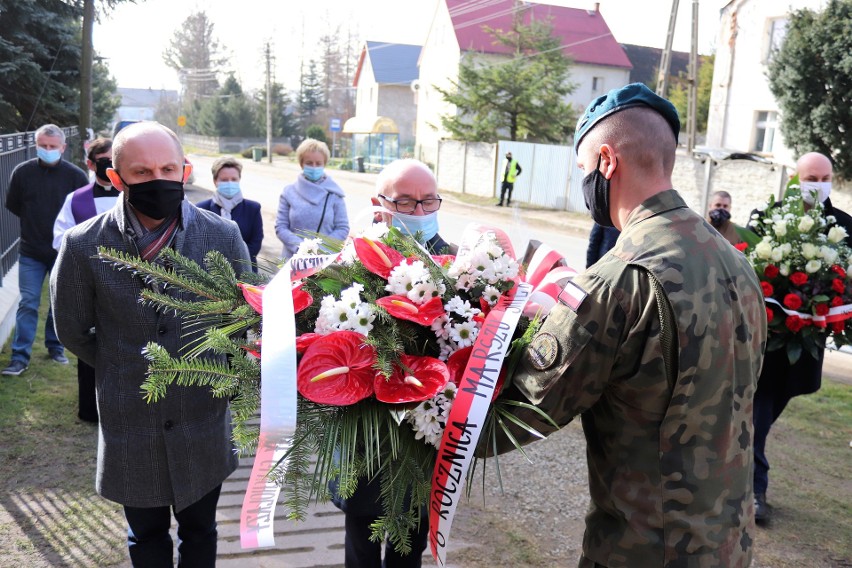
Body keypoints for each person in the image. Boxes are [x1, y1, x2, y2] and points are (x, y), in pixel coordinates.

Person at [490, 83, 767, 567]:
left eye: (583, 171)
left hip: (644, 551)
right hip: (727, 543)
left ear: (606, 161)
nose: (584, 185)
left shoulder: (617, 280)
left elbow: (522, 415)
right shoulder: (737, 265)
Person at [49, 121, 250, 567]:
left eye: (167, 167)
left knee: (201, 531)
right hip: (131, 419)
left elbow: (241, 317)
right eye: (140, 172)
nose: (156, 179)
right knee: (146, 536)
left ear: (185, 170)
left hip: (202, 414)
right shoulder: (84, 245)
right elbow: (72, 329)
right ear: (116, 178)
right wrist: (124, 365)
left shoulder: (222, 235)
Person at [332, 159, 447, 568]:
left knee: (411, 541)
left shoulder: (458, 267)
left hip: (424, 437)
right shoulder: (347, 265)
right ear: (378, 205)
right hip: (365, 436)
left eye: (428, 201)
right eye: (405, 202)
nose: (419, 213)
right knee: (361, 537)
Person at [750, 151, 852, 524]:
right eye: (810, 177)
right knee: (758, 412)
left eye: (823, 177)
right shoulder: (769, 217)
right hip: (766, 338)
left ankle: (744, 481)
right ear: (796, 178)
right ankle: (755, 490)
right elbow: (751, 266)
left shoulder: (845, 226)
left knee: (768, 410)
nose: (817, 184)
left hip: (804, 344)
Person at [2, 124, 89, 376]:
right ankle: (19, 357)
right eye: (43, 146)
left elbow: (81, 213)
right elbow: (15, 205)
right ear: (36, 145)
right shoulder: (22, 173)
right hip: (30, 250)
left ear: (63, 147)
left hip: (62, 251)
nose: (48, 150)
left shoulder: (75, 177)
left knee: (58, 302)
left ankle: (55, 347)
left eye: (53, 147)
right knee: (28, 302)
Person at [51, 137, 119, 422]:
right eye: (103, 161)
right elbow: (59, 237)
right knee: (90, 340)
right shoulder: (76, 200)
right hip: (90, 281)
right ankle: (90, 408)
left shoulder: (137, 194)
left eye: (113, 160)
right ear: (90, 164)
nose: (108, 166)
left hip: (129, 281)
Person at [275, 138, 349, 258]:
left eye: (318, 163)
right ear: (301, 164)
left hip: (324, 262)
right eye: (309, 163)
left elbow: (342, 228)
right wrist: (302, 248)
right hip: (292, 261)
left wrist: (320, 250)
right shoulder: (288, 192)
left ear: (324, 164)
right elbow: (281, 227)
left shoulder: (334, 194)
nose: (314, 167)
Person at [195, 156, 264, 270]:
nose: (230, 183)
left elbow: (255, 244)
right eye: (224, 180)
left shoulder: (253, 209)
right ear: (215, 181)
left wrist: (235, 262)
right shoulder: (201, 209)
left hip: (246, 273)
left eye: (233, 179)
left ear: (239, 180)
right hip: (210, 274)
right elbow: (198, 245)